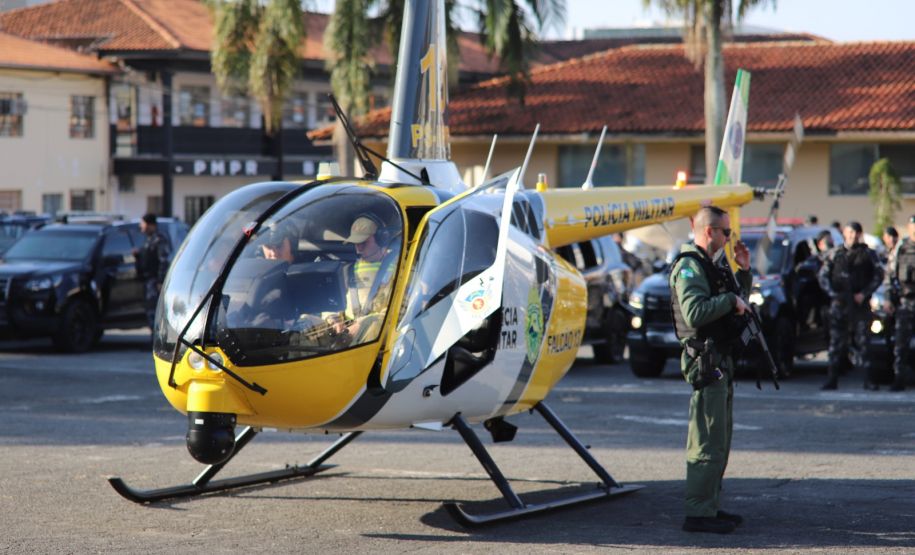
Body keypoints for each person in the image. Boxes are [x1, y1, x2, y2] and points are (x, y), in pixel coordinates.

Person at [669, 206, 751, 535]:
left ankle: (710, 506)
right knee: (706, 439)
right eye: (726, 233)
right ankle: (698, 513)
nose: (730, 239)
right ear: (709, 232)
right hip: (705, 362)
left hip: (720, 359)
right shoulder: (690, 266)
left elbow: (736, 302)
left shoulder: (713, 265)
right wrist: (730, 299)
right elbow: (694, 313)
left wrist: (743, 273)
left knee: (719, 438)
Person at [818, 221, 883, 391]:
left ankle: (869, 380)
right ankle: (832, 379)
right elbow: (823, 276)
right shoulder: (836, 253)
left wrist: (864, 294)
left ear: (860, 234)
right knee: (835, 345)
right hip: (840, 305)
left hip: (860, 305)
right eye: (850, 232)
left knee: (865, 344)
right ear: (845, 233)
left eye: (857, 232)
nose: (853, 236)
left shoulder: (868, 254)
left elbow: (878, 276)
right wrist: (834, 294)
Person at [329, 214, 397, 346]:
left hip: (376, 331)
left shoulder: (400, 268)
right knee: (306, 322)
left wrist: (361, 324)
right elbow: (330, 302)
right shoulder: (347, 270)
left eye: (363, 242)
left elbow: (399, 312)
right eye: (356, 243)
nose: (358, 248)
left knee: (372, 326)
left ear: (382, 238)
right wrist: (333, 319)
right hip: (346, 331)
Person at [882, 216, 915, 391]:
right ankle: (899, 379)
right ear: (909, 227)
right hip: (906, 303)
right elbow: (890, 275)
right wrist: (888, 298)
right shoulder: (901, 248)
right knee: (900, 345)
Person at [135, 213, 172, 334]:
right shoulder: (148, 238)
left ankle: (156, 340)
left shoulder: (159, 238)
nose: (141, 225)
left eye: (143, 223)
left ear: (149, 224)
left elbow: (163, 260)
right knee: (150, 310)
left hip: (154, 280)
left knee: (155, 310)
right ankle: (153, 338)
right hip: (147, 279)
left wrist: (160, 281)